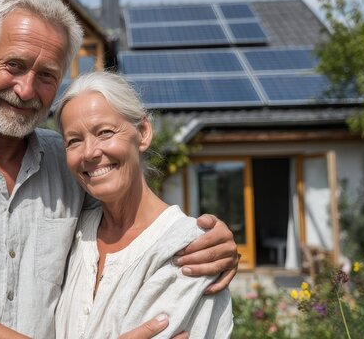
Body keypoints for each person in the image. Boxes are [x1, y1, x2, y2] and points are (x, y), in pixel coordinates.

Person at [0, 0, 239, 339]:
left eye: (46, 75)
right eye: (13, 65)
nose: (26, 89)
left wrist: (205, 239)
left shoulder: (70, 163)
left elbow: (132, 223)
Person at [54, 71, 233, 338]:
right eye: (74, 141)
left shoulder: (188, 250)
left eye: (104, 132)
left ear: (143, 132)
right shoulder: (72, 234)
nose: (90, 152)